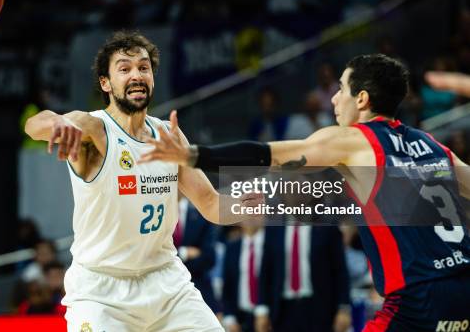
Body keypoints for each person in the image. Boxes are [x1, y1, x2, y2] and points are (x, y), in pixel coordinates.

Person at [140, 54, 470, 331]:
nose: (334, 98)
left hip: (416, 301)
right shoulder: (435, 146)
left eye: (341, 88)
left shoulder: (354, 140)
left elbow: (272, 153)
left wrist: (195, 155)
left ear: (362, 99)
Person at [25, 31, 257, 331]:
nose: (136, 75)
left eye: (143, 67)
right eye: (124, 68)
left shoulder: (167, 134)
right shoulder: (94, 128)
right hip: (102, 292)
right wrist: (55, 121)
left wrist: (249, 203)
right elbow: (35, 125)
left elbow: (212, 204)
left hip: (166, 284)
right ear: (105, 83)